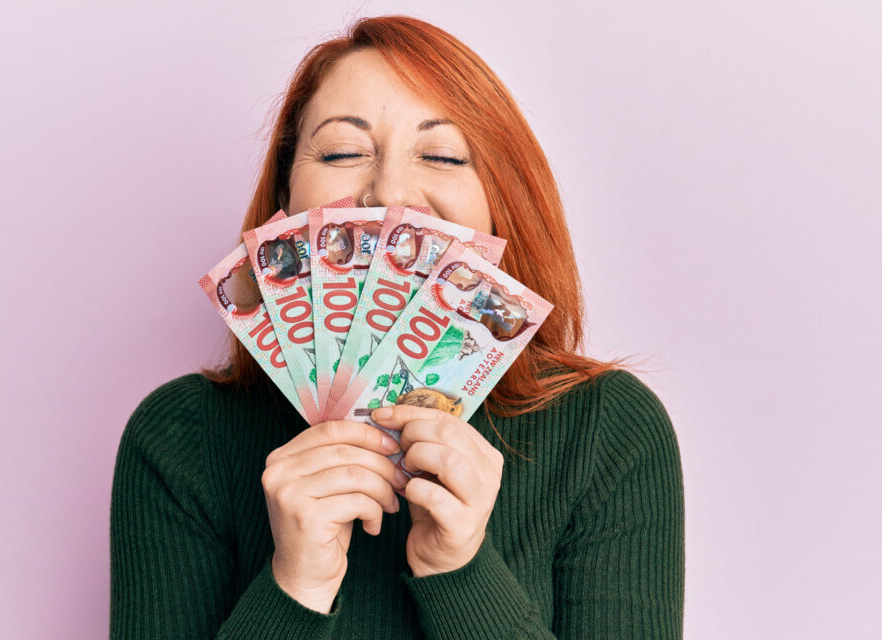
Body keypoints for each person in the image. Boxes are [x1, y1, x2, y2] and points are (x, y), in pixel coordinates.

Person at [110, 15, 684, 639]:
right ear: (286, 195)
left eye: (440, 155)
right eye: (342, 152)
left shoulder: (609, 432)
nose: (390, 193)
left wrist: (459, 571)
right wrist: (294, 587)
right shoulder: (178, 438)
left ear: (501, 198)